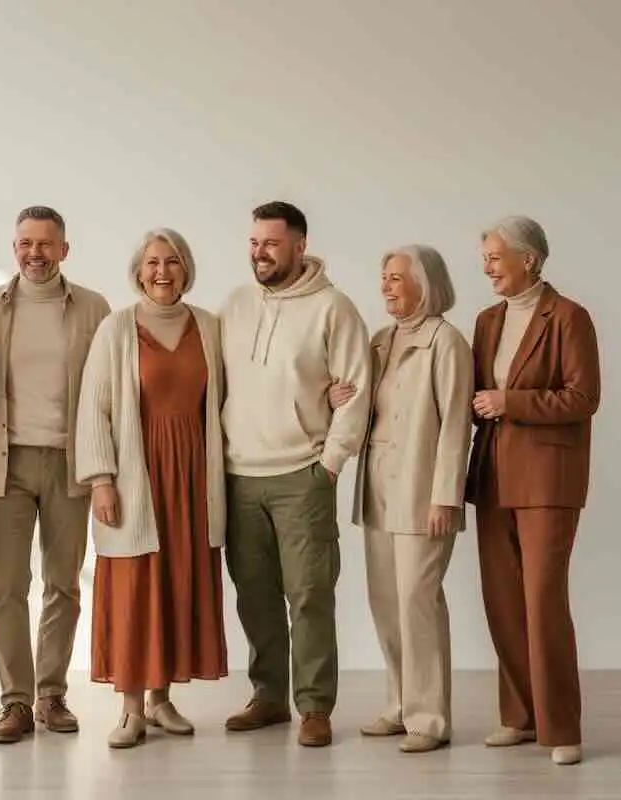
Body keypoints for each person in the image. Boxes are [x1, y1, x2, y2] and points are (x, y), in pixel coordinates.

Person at [220, 201, 371, 747]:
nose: (260, 253)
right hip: (239, 476)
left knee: (309, 595)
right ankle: (267, 698)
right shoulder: (234, 306)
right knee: (252, 594)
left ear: (300, 246)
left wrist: (329, 464)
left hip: (301, 475)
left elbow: (355, 390)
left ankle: (314, 707)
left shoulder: (335, 308)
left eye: (272, 243)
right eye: (254, 242)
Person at [75, 228, 227, 749]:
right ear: (138, 271)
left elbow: (244, 389)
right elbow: (93, 408)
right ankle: (129, 708)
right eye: (153, 263)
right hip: (139, 476)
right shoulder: (116, 328)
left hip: (192, 478)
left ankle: (162, 701)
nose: (163, 271)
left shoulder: (208, 326)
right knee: (135, 586)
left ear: (187, 270)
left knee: (177, 583)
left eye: (173, 262)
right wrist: (101, 480)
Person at [466, 215, 600, 766]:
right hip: (494, 475)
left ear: (530, 259)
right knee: (501, 603)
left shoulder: (569, 317)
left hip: (548, 479)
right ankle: (519, 717)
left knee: (543, 602)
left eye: (496, 257)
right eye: (486, 259)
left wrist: (510, 402)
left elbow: (582, 397)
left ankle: (561, 727)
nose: (487, 267)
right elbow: (474, 396)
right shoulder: (486, 320)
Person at [0, 206, 111, 744]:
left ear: (64, 250)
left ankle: (51, 695)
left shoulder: (93, 309)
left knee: (63, 583)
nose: (36, 253)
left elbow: (110, 390)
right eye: (26, 243)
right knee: (6, 586)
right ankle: (14, 701)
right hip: (4, 463)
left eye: (46, 244)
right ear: (14, 249)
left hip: (69, 462)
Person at [332, 245, 473, 753]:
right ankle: (398, 704)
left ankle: (429, 718)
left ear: (425, 283)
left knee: (419, 601)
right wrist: (336, 398)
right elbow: (362, 403)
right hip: (377, 490)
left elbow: (457, 425)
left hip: (422, 493)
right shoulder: (381, 340)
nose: (386, 286)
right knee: (387, 601)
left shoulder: (447, 343)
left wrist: (446, 497)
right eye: (384, 277)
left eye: (396, 278)